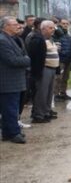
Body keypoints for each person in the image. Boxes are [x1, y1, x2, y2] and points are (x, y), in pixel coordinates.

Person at [0, 16, 31, 144]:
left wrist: (24, 59)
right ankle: (14, 133)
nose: (18, 26)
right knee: (10, 108)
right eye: (14, 24)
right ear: (5, 26)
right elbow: (12, 60)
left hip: (15, 79)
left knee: (11, 107)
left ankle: (8, 132)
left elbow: (21, 56)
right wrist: (27, 60)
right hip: (8, 80)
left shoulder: (13, 39)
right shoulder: (2, 40)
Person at [26, 19, 59, 123]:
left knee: (49, 93)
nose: (53, 30)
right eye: (50, 28)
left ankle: (46, 112)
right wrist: (37, 72)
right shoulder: (37, 39)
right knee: (42, 93)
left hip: (52, 68)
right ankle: (38, 115)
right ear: (43, 28)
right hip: (43, 69)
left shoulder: (50, 39)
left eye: (53, 27)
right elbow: (35, 57)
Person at [53, 18, 71, 101]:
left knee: (66, 77)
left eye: (66, 24)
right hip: (60, 59)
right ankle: (56, 95)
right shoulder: (56, 34)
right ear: (60, 24)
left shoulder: (67, 35)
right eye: (63, 23)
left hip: (68, 59)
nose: (65, 25)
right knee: (58, 78)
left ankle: (63, 93)